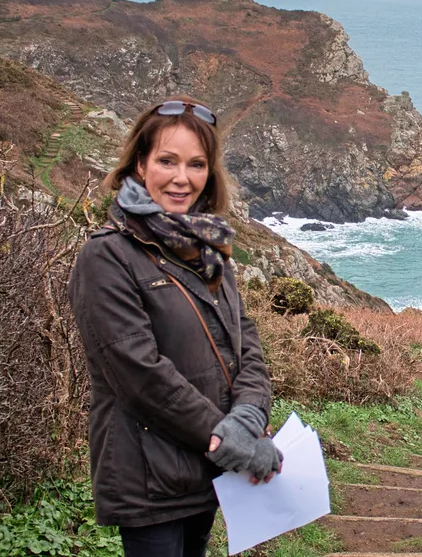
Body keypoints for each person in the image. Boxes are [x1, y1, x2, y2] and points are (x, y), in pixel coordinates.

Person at [68, 96, 282, 557]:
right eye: (167, 160)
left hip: (207, 466)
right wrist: (227, 440)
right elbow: (138, 373)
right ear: (140, 166)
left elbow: (247, 350)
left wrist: (247, 419)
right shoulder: (108, 256)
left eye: (196, 164)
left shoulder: (206, 250)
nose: (182, 178)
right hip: (151, 476)